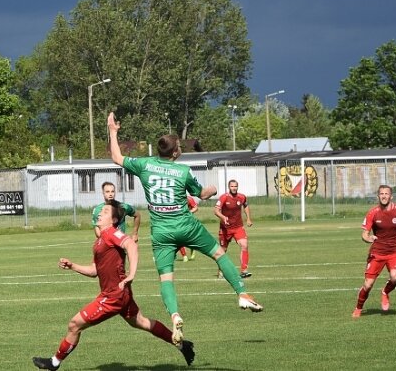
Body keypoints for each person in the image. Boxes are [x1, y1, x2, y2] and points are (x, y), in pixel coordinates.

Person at [107, 112, 262, 346]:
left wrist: (113, 131)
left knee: (166, 278)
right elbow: (201, 195)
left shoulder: (144, 164)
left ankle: (175, 315)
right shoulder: (183, 171)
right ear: (176, 152)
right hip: (186, 226)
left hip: (161, 231)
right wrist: (209, 191)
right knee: (219, 254)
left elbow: (117, 157)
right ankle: (242, 293)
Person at [32, 201, 195, 370]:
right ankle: (183, 345)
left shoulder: (112, 233)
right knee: (141, 322)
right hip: (119, 294)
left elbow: (130, 244)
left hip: (113, 296)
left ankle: (54, 362)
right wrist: (73, 266)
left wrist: (132, 273)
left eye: (105, 211)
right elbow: (94, 270)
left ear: (114, 219)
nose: (100, 214)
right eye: (100, 211)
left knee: (74, 324)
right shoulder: (99, 241)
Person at [352, 185, 396, 318]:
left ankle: (385, 292)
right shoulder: (373, 212)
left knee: (395, 276)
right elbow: (364, 234)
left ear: (391, 196)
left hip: (395, 251)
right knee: (368, 284)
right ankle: (358, 308)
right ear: (378, 196)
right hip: (377, 253)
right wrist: (368, 238)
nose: (384, 196)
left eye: (386, 194)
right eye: (381, 194)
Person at [214, 180, 253, 278]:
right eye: (232, 186)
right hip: (225, 228)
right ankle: (220, 270)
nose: (234, 188)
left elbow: (246, 206)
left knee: (244, 245)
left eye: (235, 186)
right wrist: (223, 217)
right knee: (223, 250)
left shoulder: (242, 197)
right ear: (229, 187)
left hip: (238, 227)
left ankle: (244, 270)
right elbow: (216, 210)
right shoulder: (224, 197)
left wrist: (248, 218)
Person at [179, 195, 199, 262]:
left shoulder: (189, 199)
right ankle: (184, 256)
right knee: (179, 239)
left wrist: (188, 213)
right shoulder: (175, 199)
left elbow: (196, 208)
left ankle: (192, 248)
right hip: (178, 222)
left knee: (189, 238)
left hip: (188, 221)